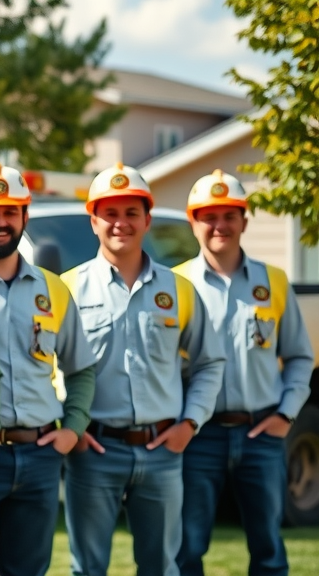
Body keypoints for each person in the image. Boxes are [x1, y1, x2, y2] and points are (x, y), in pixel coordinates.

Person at [60, 162, 224, 576]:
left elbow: (209, 362)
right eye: (110, 213)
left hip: (162, 453)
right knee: (88, 568)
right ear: (93, 221)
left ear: (147, 219)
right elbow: (46, 368)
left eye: (131, 213)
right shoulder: (66, 289)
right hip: (92, 451)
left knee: (161, 567)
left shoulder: (179, 289)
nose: (121, 223)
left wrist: (190, 424)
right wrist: (72, 429)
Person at [0, 162, 97, 576]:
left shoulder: (54, 288)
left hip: (41, 457)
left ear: (24, 217)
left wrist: (73, 429)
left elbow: (81, 369)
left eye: (10, 212)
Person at [174, 170, 313, 576]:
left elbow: (300, 357)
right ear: (193, 222)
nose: (219, 225)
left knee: (268, 546)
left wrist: (286, 414)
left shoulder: (274, 282)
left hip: (261, 435)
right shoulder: (175, 284)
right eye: (208, 216)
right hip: (199, 436)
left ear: (244, 222)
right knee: (187, 546)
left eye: (229, 215)